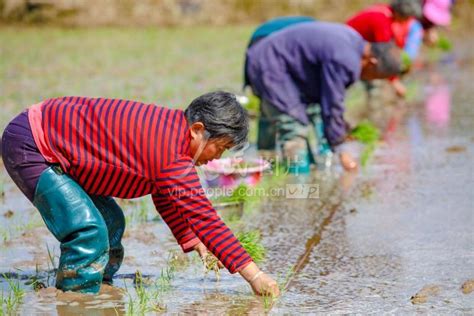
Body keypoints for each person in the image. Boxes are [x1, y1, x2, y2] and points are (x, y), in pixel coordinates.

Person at [1, 91, 279, 296]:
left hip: (58, 144)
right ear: (198, 131)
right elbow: (207, 219)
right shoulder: (170, 154)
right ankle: (77, 298)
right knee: (88, 230)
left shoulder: (172, 132)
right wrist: (255, 276)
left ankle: (98, 285)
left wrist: (192, 239)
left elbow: (164, 193)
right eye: (220, 147)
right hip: (34, 145)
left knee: (111, 222)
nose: (217, 157)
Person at [245, 22, 403, 171]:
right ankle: (297, 190)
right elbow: (332, 104)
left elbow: (326, 99)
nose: (368, 79)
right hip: (271, 65)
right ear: (372, 62)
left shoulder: (353, 40)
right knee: (293, 128)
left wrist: (341, 128)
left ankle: (265, 168)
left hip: (273, 61)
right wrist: (341, 148)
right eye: (374, 76)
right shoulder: (345, 59)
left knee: (275, 120)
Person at [346, 0, 423, 97]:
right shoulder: (382, 21)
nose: (406, 22)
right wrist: (395, 82)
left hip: (356, 48)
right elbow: (384, 55)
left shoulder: (384, 11)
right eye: (407, 18)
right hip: (349, 51)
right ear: (401, 14)